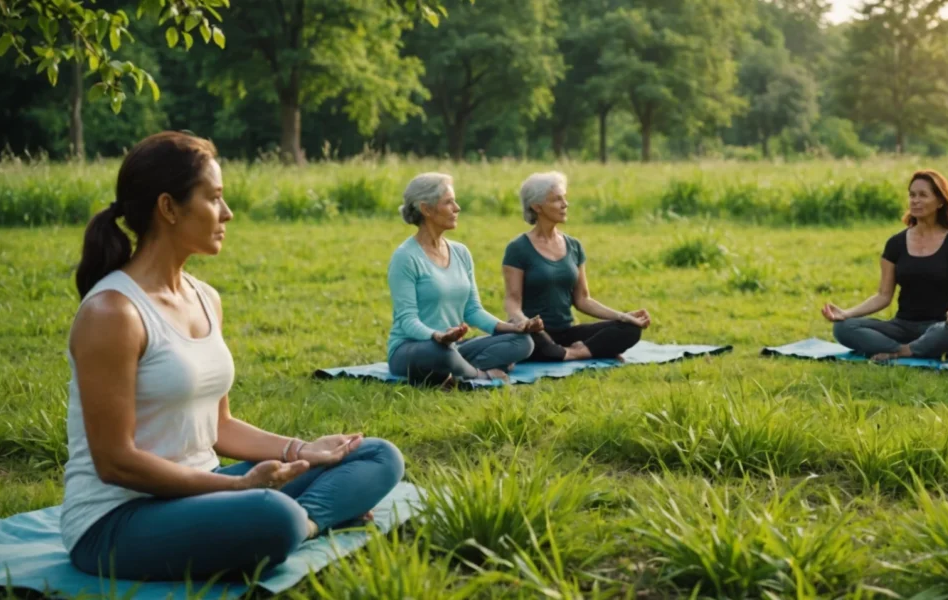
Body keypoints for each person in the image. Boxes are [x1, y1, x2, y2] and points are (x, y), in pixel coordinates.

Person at [63, 131, 405, 582]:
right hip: (117, 521)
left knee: (376, 456)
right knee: (271, 514)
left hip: (203, 491)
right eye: (215, 198)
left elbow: (219, 426)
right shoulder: (113, 313)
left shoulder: (206, 298)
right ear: (168, 208)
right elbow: (115, 462)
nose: (228, 213)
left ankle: (299, 523)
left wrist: (304, 450)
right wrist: (237, 487)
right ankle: (290, 522)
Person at [387, 172, 539, 387]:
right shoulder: (405, 257)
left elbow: (472, 310)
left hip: (452, 347)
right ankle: (479, 374)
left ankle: (454, 371)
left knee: (523, 342)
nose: (457, 208)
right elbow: (407, 320)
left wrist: (513, 327)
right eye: (449, 203)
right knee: (439, 353)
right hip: (416, 347)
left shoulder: (461, 252)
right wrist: (437, 336)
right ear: (426, 209)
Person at [821, 170, 948, 361]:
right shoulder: (896, 243)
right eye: (912, 195)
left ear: (940, 201)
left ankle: (900, 352)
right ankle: (906, 349)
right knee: (843, 328)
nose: (915, 200)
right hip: (901, 327)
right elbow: (883, 296)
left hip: (938, 326)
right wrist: (847, 313)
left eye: (923, 195)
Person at [502, 171, 650, 362]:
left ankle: (573, 353)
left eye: (564, 198)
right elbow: (512, 303)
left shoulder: (574, 246)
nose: (565, 204)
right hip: (535, 334)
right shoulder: (518, 248)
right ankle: (582, 351)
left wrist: (622, 317)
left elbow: (583, 299)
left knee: (630, 329)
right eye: (556, 199)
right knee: (529, 342)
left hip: (566, 332)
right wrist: (524, 324)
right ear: (536, 206)